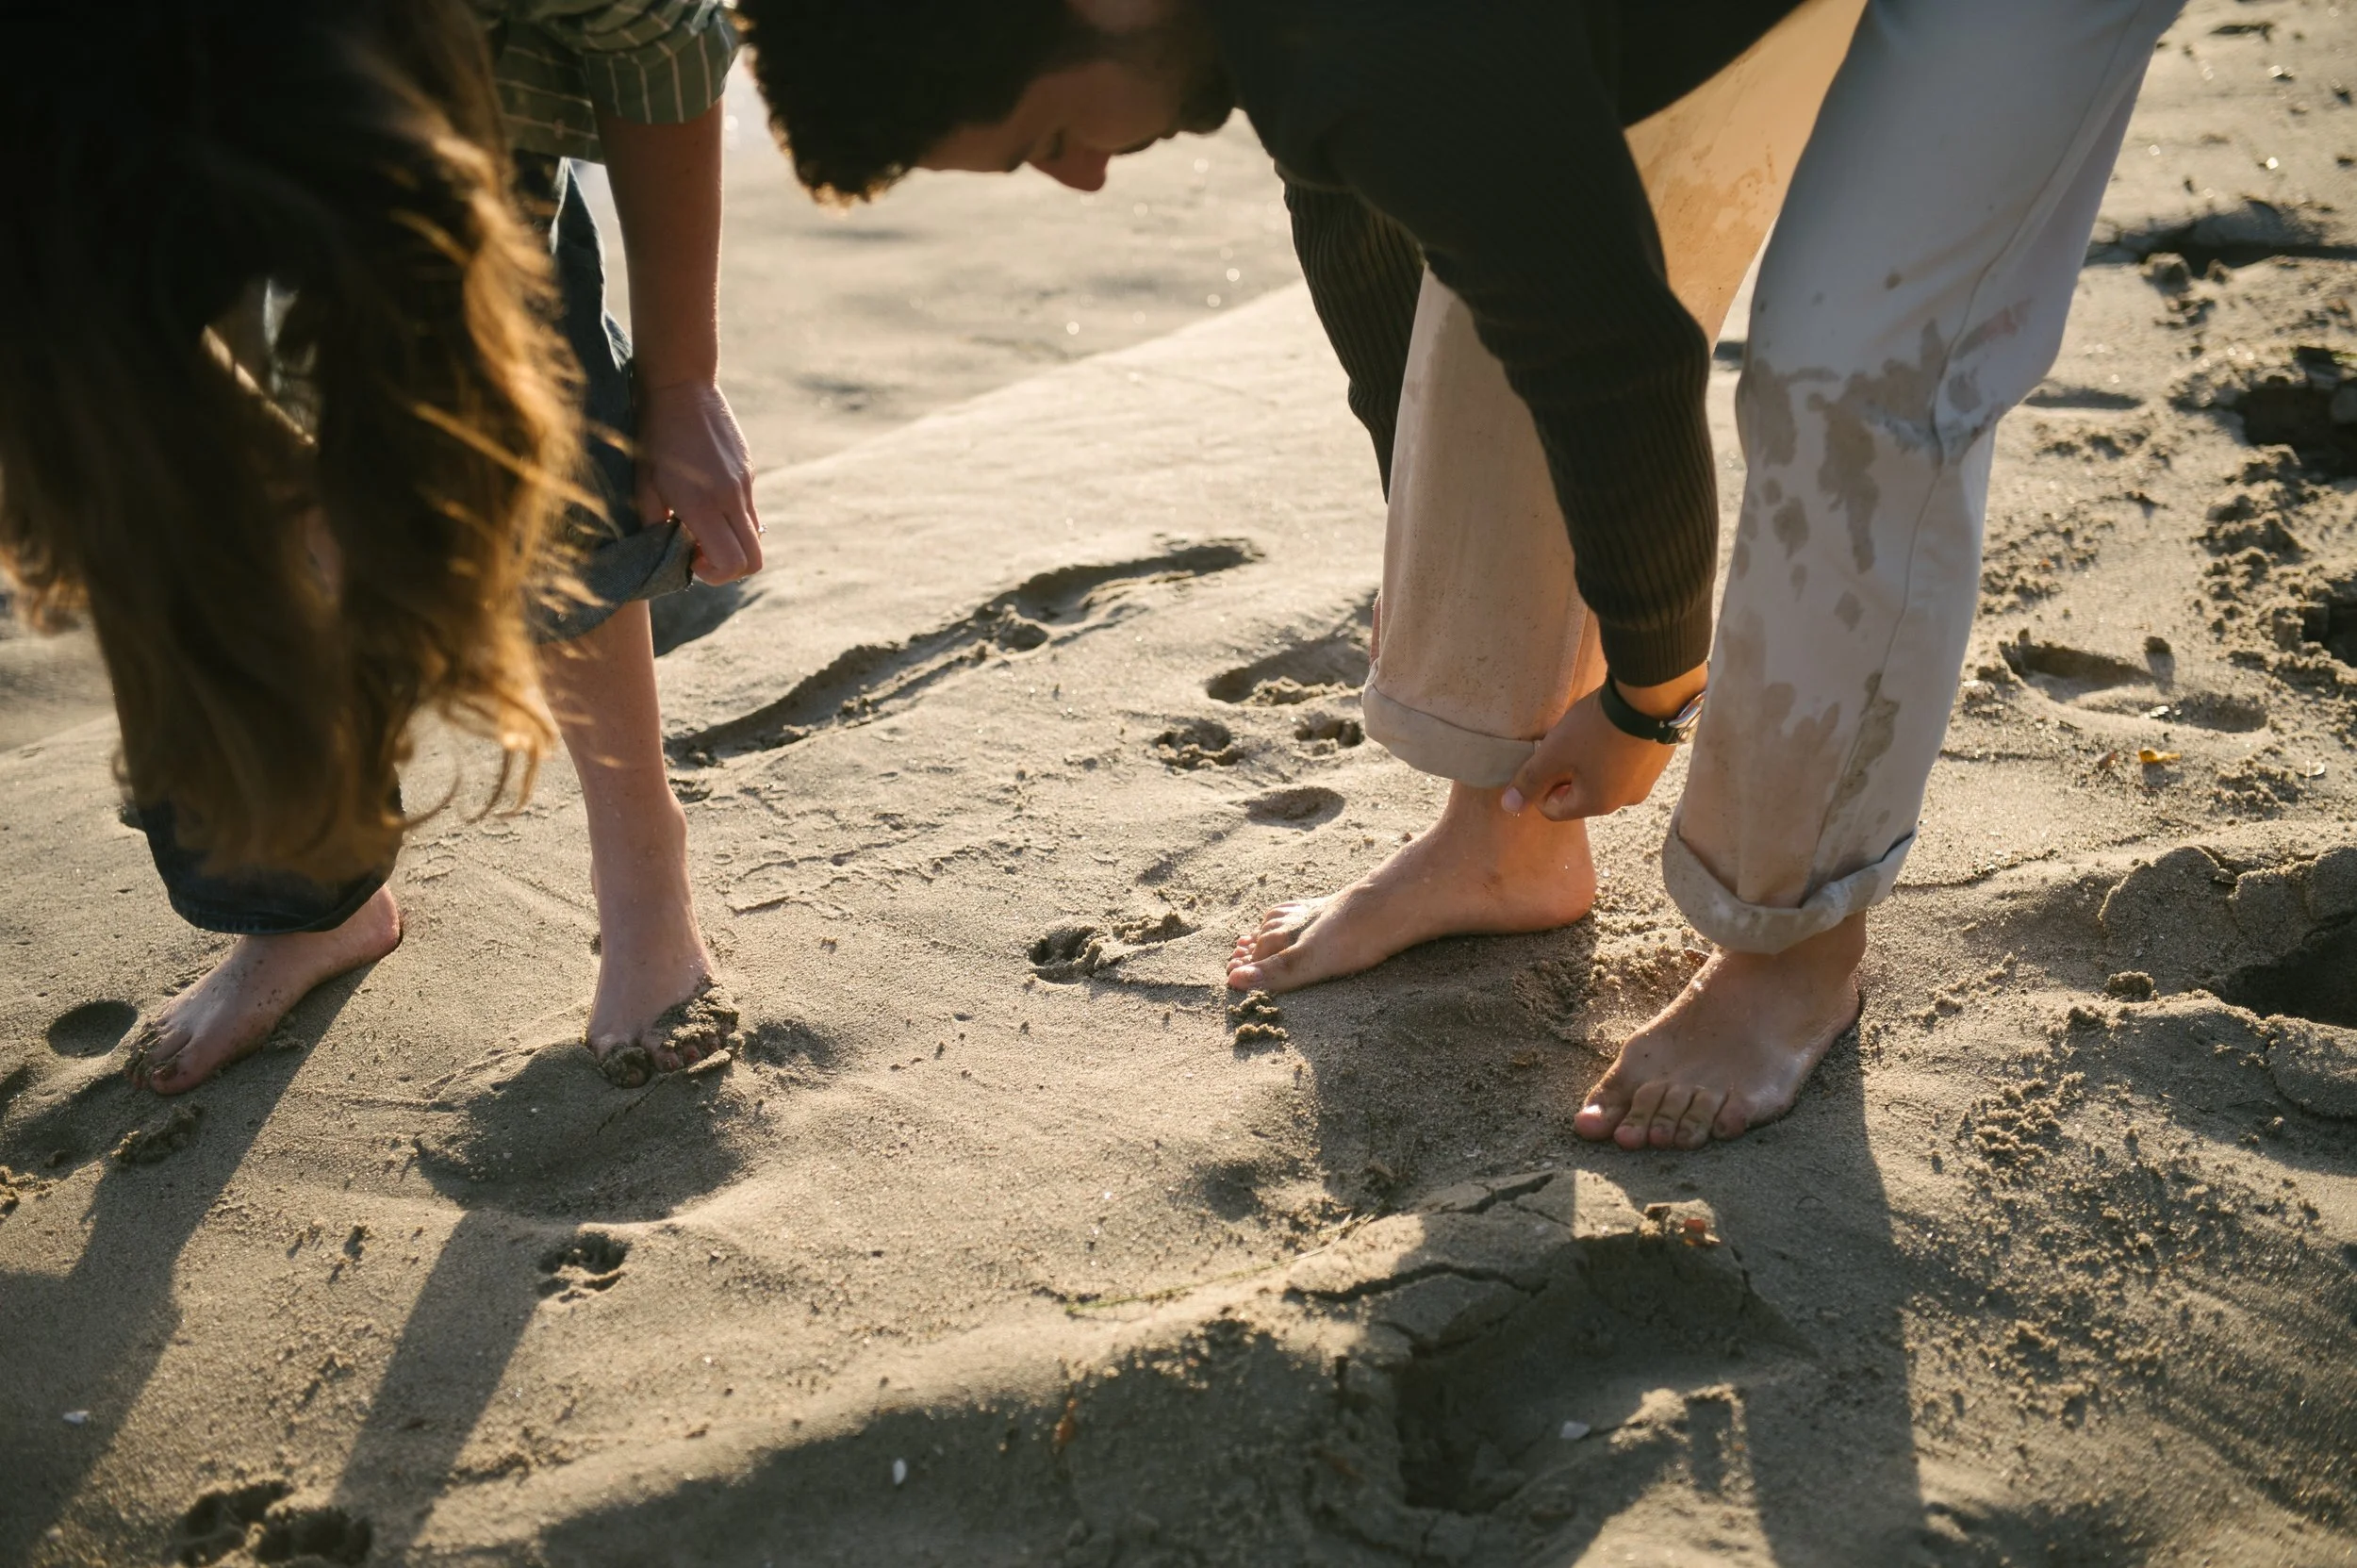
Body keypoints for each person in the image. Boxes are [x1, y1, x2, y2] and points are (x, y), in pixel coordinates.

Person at [738, 0, 2184, 1148]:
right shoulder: (1288, 40)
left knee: (1854, 374)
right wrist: (1417, 526)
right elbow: (1387, 233)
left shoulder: (1373, 30)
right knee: (1493, 250)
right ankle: (1504, 830)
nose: (1089, 172)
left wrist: (1648, 689)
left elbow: (1613, 352)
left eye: (1049, 133)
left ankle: (1794, 942)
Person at [0, 0, 758, 1094]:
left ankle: (643, 871)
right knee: (175, 510)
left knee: (538, 460)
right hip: (100, 180)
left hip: (421, 119)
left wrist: (682, 381)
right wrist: (281, 506)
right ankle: (304, 903)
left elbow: (671, 41)